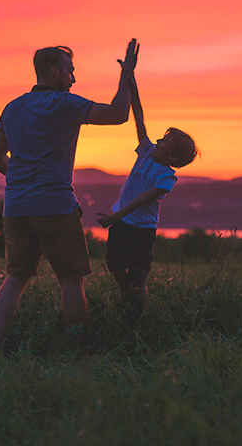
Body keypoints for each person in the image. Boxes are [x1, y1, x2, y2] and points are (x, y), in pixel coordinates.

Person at [0, 39, 140, 353]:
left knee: (15, 277)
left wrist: (19, 180)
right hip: (55, 206)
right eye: (70, 71)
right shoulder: (65, 104)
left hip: (15, 208)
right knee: (71, 280)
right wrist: (127, 77)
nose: (73, 79)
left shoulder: (12, 108)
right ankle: (76, 349)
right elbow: (118, 114)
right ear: (55, 71)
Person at [97, 69, 198, 321]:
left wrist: (115, 216)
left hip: (141, 230)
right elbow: (139, 116)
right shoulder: (146, 152)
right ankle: (126, 298)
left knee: (139, 275)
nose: (157, 141)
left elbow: (142, 200)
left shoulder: (165, 177)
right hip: (121, 223)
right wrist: (131, 81)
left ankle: (137, 316)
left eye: (164, 142)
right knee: (116, 266)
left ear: (171, 158)